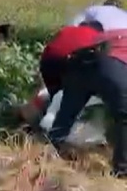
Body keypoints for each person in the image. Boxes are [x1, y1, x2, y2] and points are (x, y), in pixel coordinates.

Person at [38, 24, 127, 176]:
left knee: (67, 114)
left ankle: (49, 154)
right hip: (111, 66)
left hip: (80, 62)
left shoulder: (119, 31)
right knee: (125, 118)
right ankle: (122, 169)